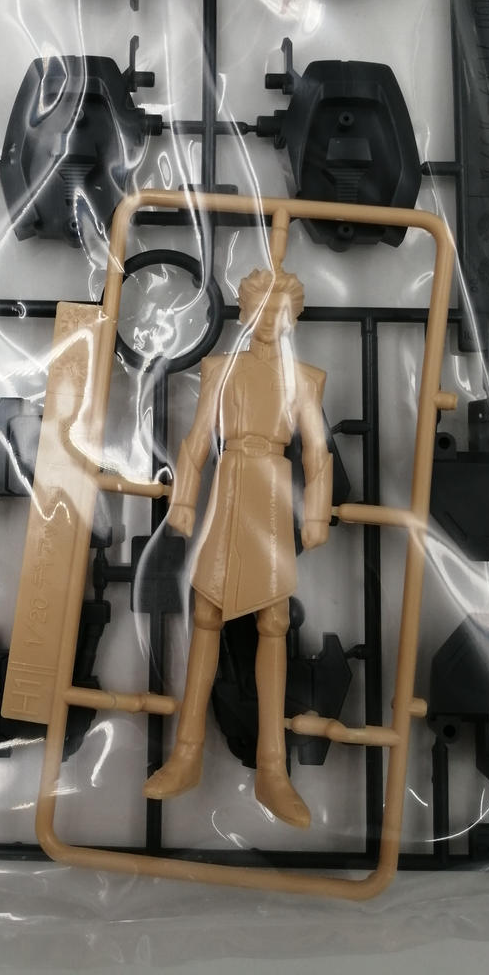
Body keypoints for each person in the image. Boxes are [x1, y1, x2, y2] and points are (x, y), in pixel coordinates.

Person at [143, 267, 333, 827]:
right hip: (230, 485)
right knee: (207, 610)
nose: (269, 320)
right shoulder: (220, 369)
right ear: (245, 312)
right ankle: (186, 753)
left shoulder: (305, 379)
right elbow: (197, 440)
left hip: (271, 490)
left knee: (274, 618)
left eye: (280, 311)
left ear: (292, 318)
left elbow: (316, 450)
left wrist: (316, 512)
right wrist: (183, 501)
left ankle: (273, 769)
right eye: (260, 308)